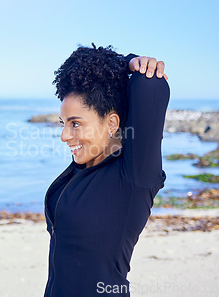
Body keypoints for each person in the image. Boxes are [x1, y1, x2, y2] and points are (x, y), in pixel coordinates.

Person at [44, 45, 169, 296]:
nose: (64, 136)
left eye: (75, 124)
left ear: (111, 123)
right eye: (63, 123)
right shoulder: (81, 169)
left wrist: (130, 63)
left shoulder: (133, 178)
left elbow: (151, 85)